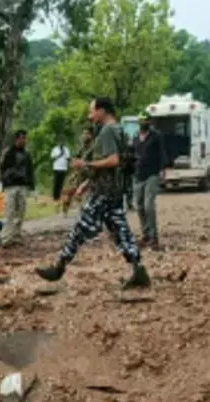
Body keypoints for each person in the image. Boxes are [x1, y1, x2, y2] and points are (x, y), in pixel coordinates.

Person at [36, 97, 150, 290]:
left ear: (102, 111)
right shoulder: (120, 130)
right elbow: (118, 164)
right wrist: (87, 182)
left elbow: (112, 160)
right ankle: (138, 270)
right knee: (121, 232)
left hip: (103, 192)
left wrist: (85, 165)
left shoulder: (107, 131)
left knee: (80, 228)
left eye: (92, 111)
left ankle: (59, 267)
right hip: (114, 190)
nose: (90, 116)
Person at [131, 121, 167, 250]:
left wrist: (162, 169)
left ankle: (154, 237)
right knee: (139, 206)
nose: (143, 123)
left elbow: (161, 152)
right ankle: (145, 234)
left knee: (148, 206)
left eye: (146, 120)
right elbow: (132, 155)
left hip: (152, 173)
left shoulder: (156, 136)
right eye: (141, 120)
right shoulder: (135, 137)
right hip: (138, 174)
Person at [0, 130, 34, 246]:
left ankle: (16, 236)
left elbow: (30, 170)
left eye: (25, 138)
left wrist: (31, 185)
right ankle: (6, 238)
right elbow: (2, 169)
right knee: (9, 212)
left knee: (20, 212)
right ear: (17, 139)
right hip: (11, 186)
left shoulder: (27, 154)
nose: (24, 140)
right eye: (22, 138)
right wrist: (5, 181)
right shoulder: (8, 152)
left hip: (23, 185)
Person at [58, 127, 94, 219]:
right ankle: (65, 212)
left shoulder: (94, 148)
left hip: (90, 178)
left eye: (86, 134)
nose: (84, 136)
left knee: (85, 202)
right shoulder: (82, 148)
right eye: (83, 134)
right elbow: (76, 161)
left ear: (91, 135)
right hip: (80, 176)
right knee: (67, 192)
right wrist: (73, 174)